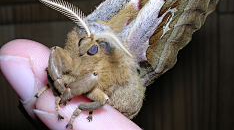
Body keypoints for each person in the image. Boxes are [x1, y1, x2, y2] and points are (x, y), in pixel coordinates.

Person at [0, 39, 141, 130]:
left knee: (96, 84)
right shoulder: (77, 64)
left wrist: (79, 107)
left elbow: (102, 99)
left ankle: (79, 108)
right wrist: (56, 82)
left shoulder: (98, 74)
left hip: (125, 98)